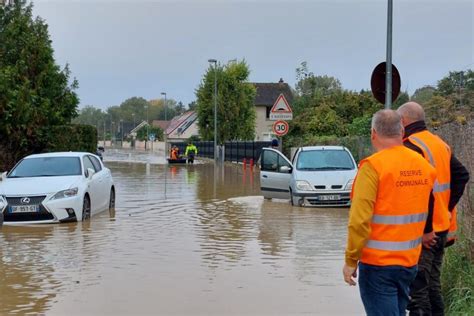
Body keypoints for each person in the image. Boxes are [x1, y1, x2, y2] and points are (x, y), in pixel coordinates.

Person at [343, 109, 437, 316]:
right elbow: (429, 206)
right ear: (402, 131)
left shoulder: (373, 167)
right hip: (410, 262)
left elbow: (359, 221)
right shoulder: (424, 165)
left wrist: (351, 260)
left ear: (373, 134)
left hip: (378, 265)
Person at [397, 102, 469, 316]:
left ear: (403, 122)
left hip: (424, 231)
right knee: (432, 285)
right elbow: (462, 175)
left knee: (418, 292)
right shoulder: (439, 143)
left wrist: (426, 227)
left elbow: (424, 190)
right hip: (442, 226)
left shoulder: (411, 146)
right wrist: (446, 206)